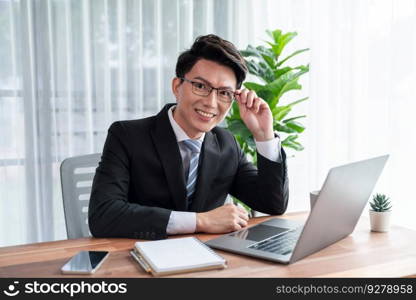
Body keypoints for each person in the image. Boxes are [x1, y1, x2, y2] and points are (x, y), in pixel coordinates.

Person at [88, 34, 289, 240]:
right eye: (200, 86)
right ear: (177, 86)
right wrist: (200, 221)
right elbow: (103, 215)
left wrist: (264, 135)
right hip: (139, 257)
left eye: (224, 93)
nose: (211, 103)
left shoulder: (226, 143)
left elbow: (272, 204)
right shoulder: (127, 136)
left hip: (207, 260)